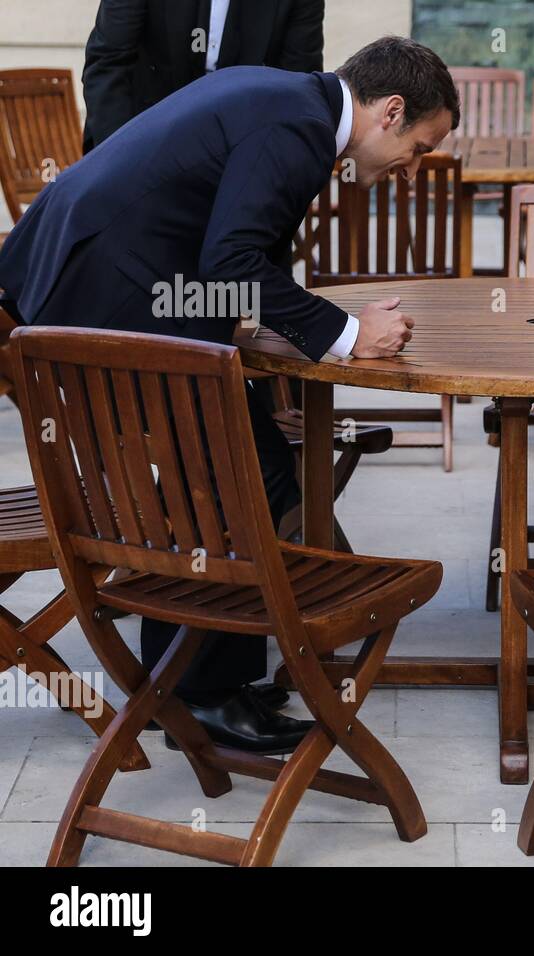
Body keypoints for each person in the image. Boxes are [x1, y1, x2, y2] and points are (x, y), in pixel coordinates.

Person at [0, 36, 460, 751]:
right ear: (391, 111)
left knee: (244, 461)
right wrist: (346, 334)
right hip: (98, 293)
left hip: (88, 275)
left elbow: (228, 238)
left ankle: (185, 678)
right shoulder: (299, 127)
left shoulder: (287, 99)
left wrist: (260, 328)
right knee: (246, 470)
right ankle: (207, 692)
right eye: (421, 149)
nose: (412, 170)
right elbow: (231, 257)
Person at [82, 0, 326, 153]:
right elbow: (108, 64)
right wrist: (118, 162)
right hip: (145, 142)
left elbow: (298, 90)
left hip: (245, 155)